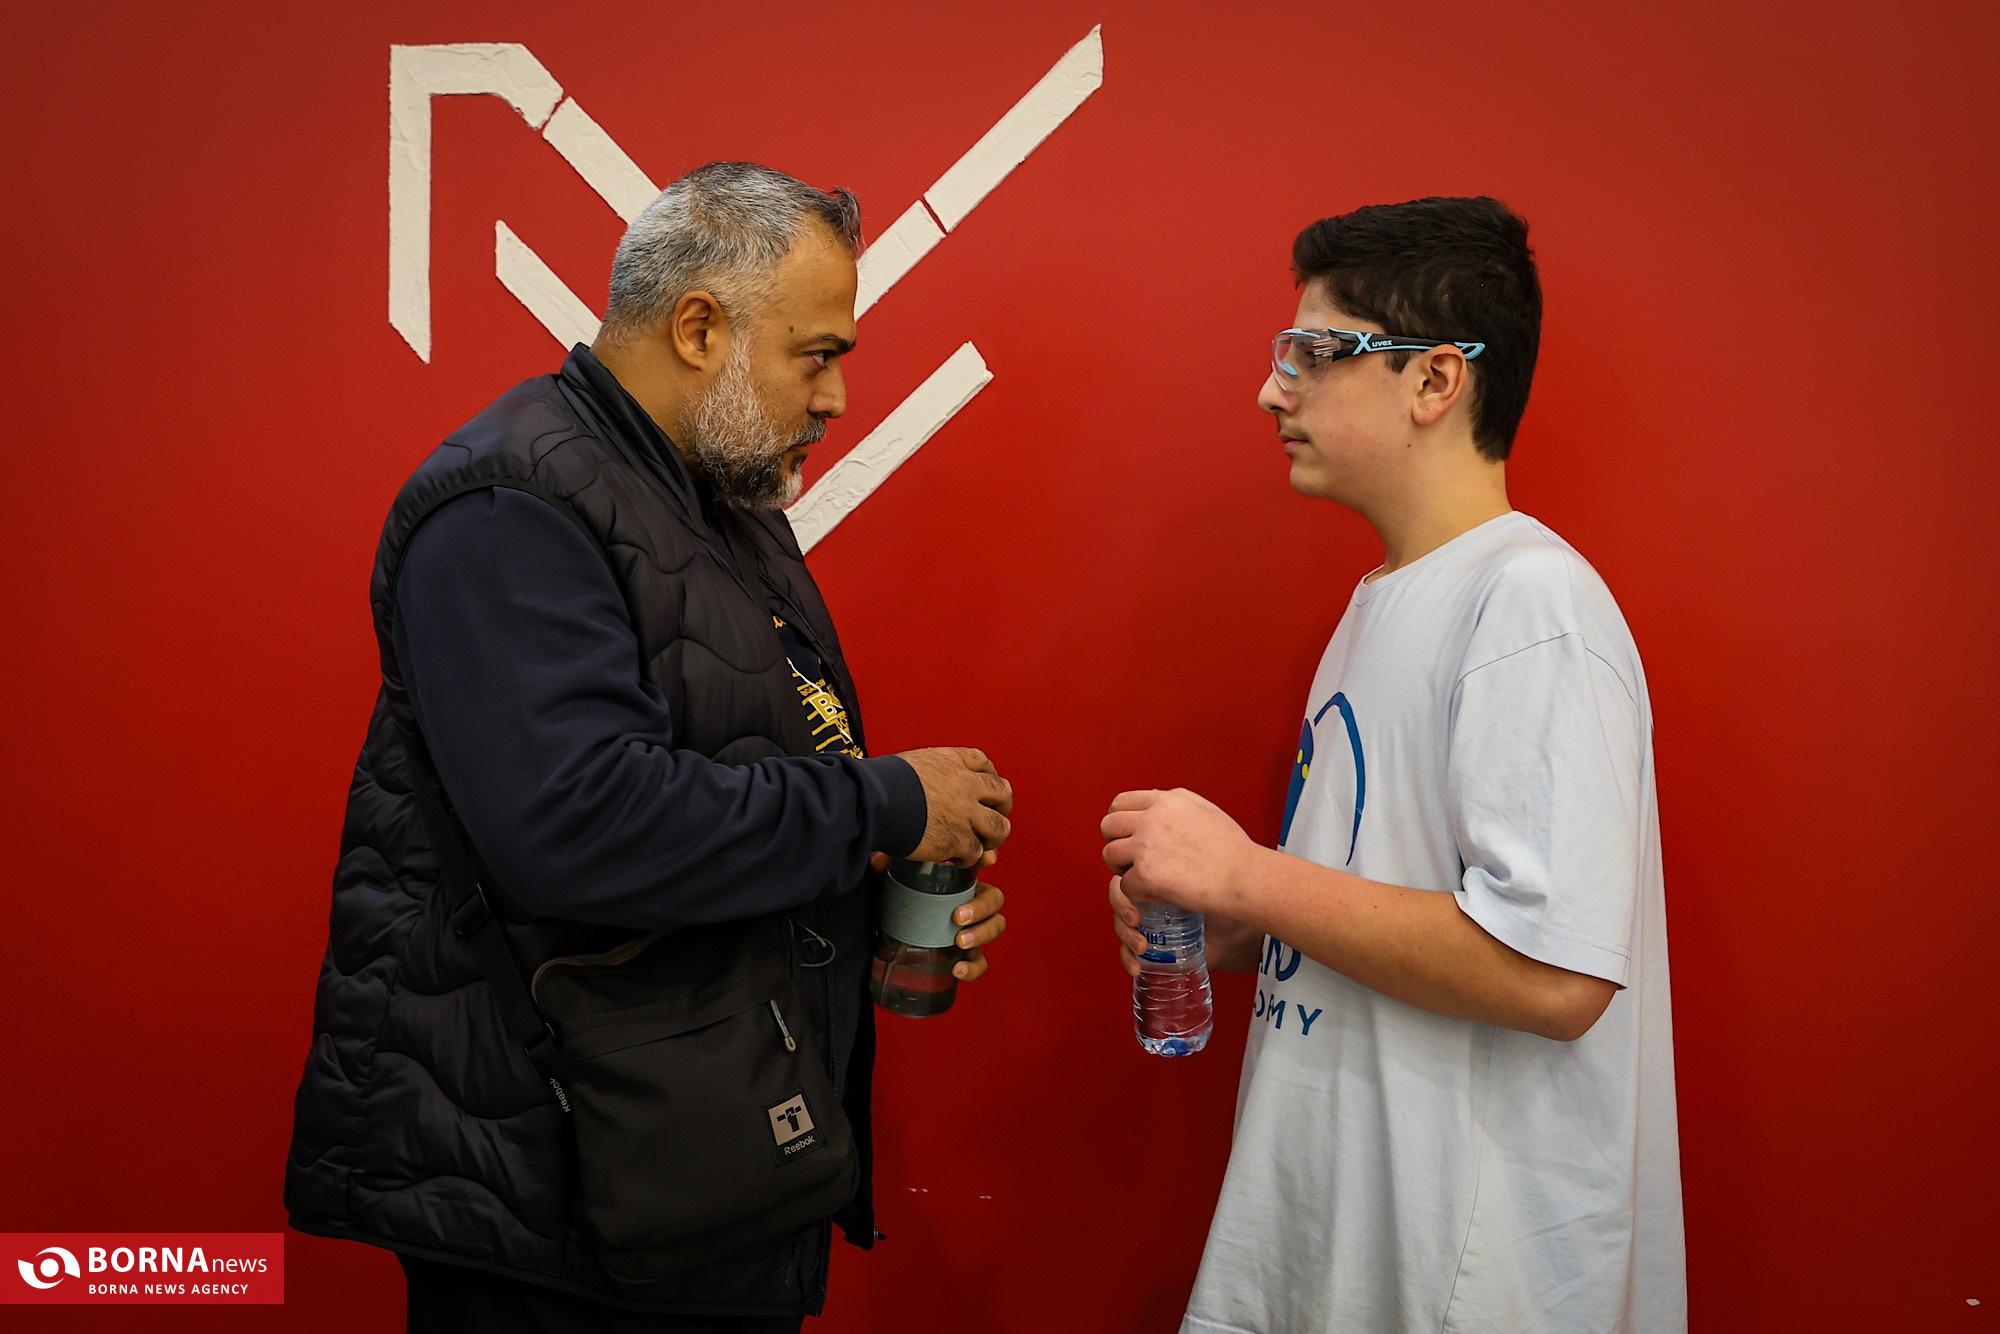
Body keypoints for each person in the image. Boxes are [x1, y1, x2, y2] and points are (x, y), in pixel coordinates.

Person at [286, 161, 1013, 1333]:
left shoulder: (716, 505)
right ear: (698, 326)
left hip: (690, 1182)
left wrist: (858, 898)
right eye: (816, 355)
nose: (834, 397)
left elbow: (724, 789)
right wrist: (882, 804)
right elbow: (580, 826)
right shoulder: (510, 504)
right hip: (557, 1218)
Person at [1101, 197, 1684, 1332]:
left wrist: (1245, 875)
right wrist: (1244, 932)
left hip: (1468, 1284)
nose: (1271, 391)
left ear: (1434, 380)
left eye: (1313, 352)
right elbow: (1407, 907)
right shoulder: (1385, 601)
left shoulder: (1529, 601)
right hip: (1356, 1249)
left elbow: (1553, 974)